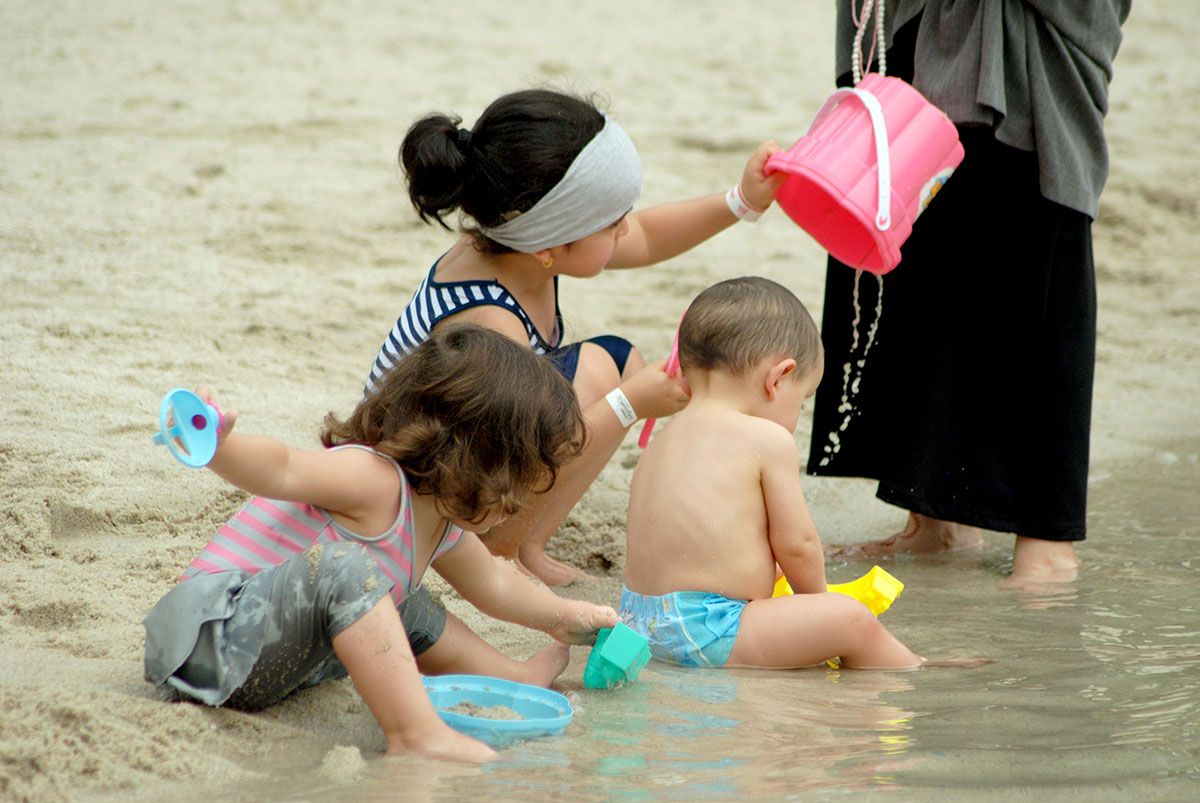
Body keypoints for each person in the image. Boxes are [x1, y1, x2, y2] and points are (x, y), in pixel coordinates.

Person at [366, 88, 784, 586]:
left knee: (619, 362)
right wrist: (629, 404)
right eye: (611, 223)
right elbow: (513, 451)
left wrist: (741, 201)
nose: (626, 230)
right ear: (553, 237)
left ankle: (528, 545)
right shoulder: (489, 321)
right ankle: (501, 550)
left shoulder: (523, 247)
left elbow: (648, 235)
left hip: (483, 435)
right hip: (428, 489)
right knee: (603, 375)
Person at [143, 324, 620, 762]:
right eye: (520, 479)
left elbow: (494, 582)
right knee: (350, 571)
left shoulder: (440, 520)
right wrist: (221, 446)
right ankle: (416, 733)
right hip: (213, 639)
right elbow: (283, 467)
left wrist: (562, 616)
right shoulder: (373, 480)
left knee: (405, 604)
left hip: (270, 662)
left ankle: (512, 679)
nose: (521, 499)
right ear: (476, 456)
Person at [807, 1, 1131, 581]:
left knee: (1024, 245)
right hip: (910, 22)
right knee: (921, 243)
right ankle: (937, 521)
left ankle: (1047, 543)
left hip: (1022, 42)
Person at [622, 278, 990, 669]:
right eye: (804, 399)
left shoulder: (662, 441)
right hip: (708, 630)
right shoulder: (766, 439)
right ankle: (913, 667)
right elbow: (798, 544)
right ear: (778, 378)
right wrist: (820, 605)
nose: (796, 416)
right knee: (850, 621)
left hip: (640, 627)